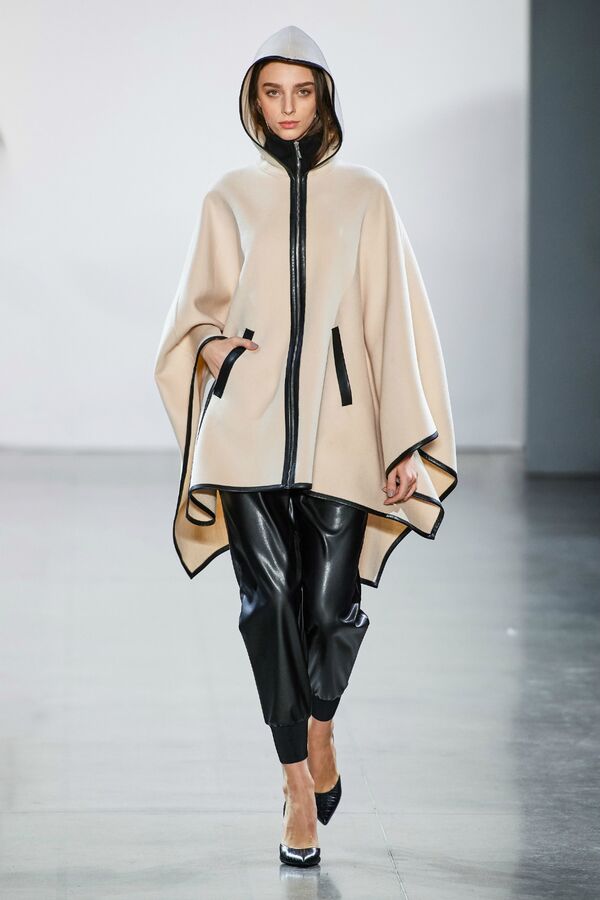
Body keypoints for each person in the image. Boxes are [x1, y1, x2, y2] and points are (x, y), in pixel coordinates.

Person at [154, 24, 458, 868]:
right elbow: (193, 314)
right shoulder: (227, 196)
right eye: (272, 92)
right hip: (246, 433)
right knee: (267, 606)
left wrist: (403, 440)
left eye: (302, 91)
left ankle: (320, 728)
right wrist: (217, 349)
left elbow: (393, 321)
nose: (287, 107)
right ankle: (295, 783)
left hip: (343, 430)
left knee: (329, 607)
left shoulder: (366, 195)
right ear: (254, 101)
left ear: (323, 99)